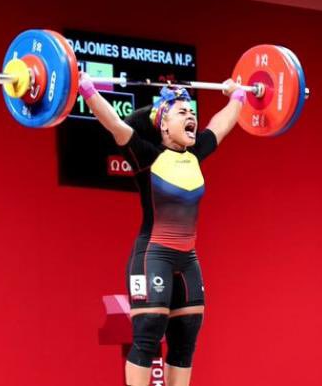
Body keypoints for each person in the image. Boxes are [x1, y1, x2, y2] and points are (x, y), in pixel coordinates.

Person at [79, 73, 244, 386]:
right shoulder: (146, 156)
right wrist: (87, 89)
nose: (191, 116)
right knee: (148, 333)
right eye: (182, 112)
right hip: (152, 256)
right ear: (164, 125)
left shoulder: (196, 154)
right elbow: (114, 123)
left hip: (187, 260)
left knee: (186, 338)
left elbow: (222, 124)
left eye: (192, 112)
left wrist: (237, 96)